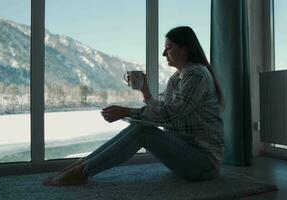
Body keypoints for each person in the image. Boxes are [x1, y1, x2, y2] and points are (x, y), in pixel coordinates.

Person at [43, 26, 225, 186]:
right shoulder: (175, 79)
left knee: (143, 131)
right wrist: (144, 89)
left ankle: (83, 172)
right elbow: (162, 110)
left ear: (184, 49)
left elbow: (169, 114)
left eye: (168, 48)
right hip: (185, 155)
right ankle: (81, 165)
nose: (164, 54)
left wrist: (127, 111)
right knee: (140, 126)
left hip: (204, 164)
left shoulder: (197, 75)